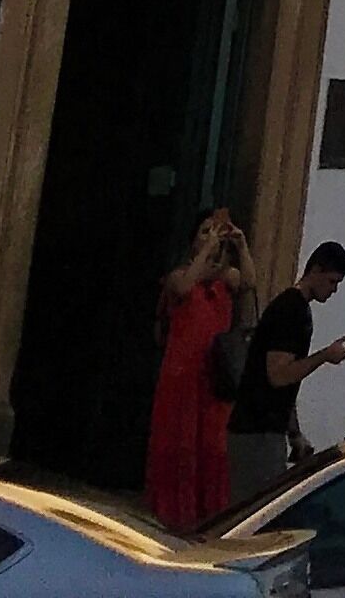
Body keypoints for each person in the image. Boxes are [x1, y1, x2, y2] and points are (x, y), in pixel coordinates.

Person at [144, 207, 254, 534]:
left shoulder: (227, 280)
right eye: (204, 231)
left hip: (212, 378)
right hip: (181, 377)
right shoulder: (180, 277)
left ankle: (207, 519)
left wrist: (241, 244)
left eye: (215, 232)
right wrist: (206, 250)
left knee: (212, 449)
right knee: (179, 447)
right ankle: (172, 518)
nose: (212, 237)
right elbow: (182, 289)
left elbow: (250, 281)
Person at [225, 241, 345, 501]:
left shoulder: (297, 309)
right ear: (315, 271)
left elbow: (286, 382)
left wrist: (293, 433)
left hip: (266, 429)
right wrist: (324, 356)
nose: (333, 290)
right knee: (256, 514)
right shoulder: (290, 310)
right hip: (256, 432)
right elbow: (279, 375)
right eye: (331, 282)